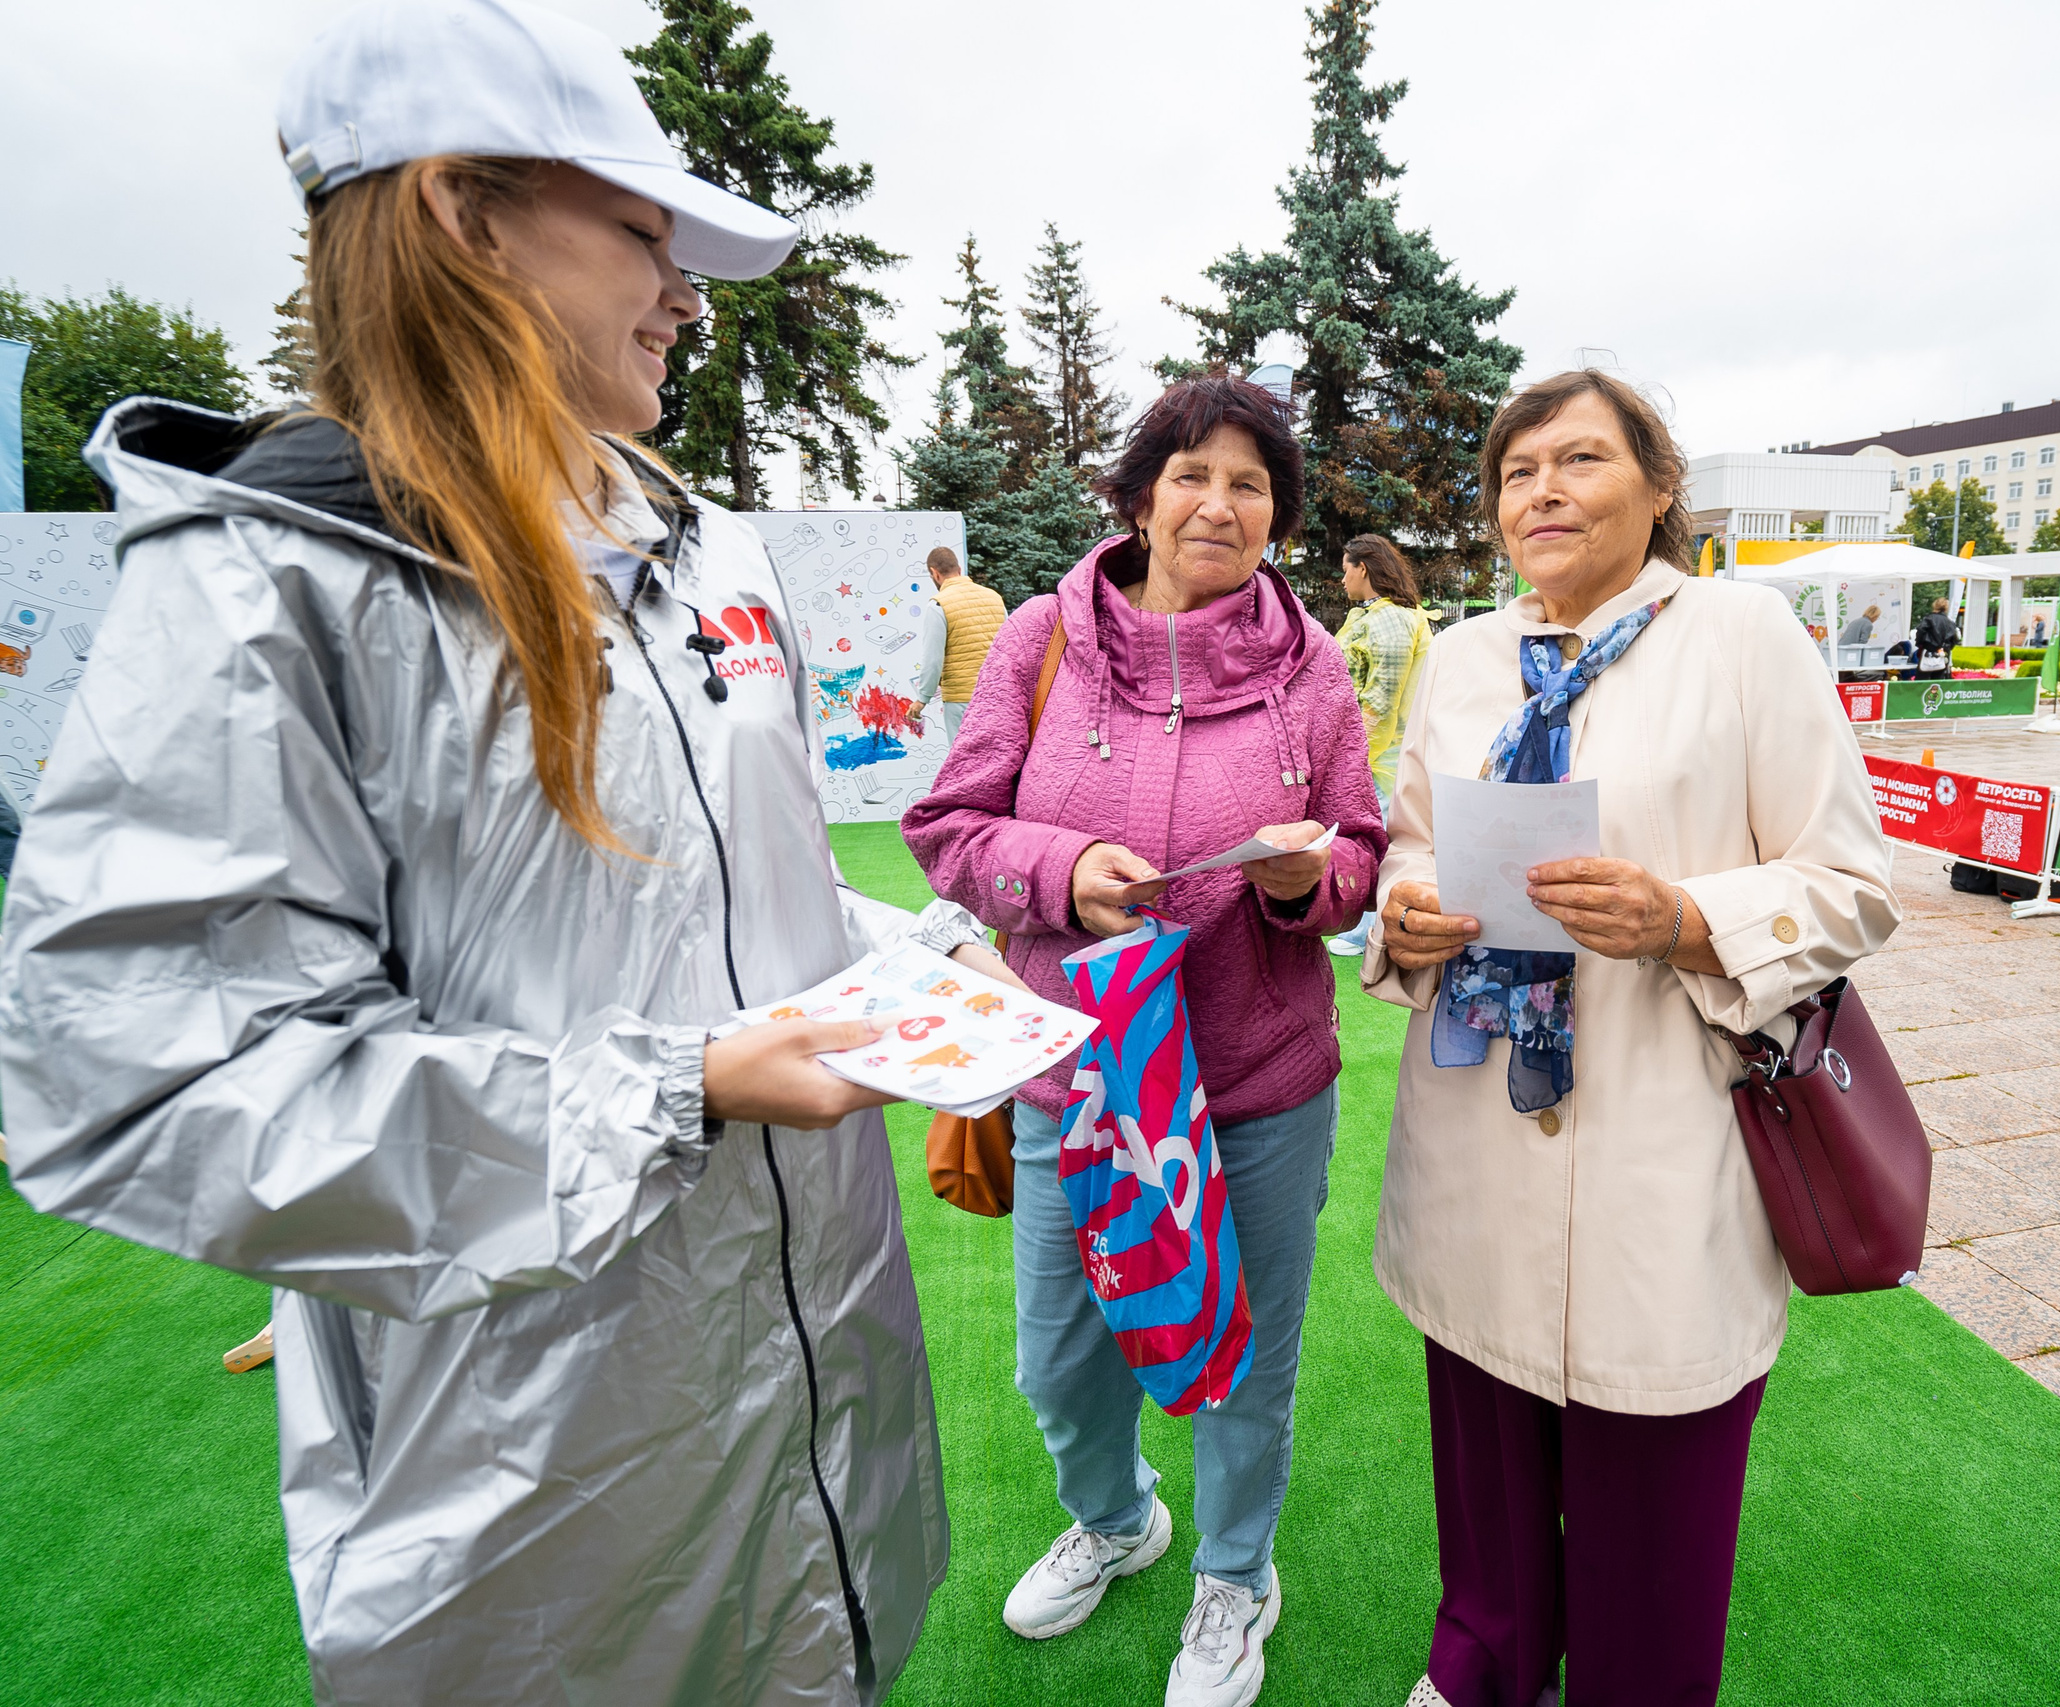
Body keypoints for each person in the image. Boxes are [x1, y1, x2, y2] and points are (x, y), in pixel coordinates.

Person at [0, 4, 999, 1700]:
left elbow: (734, 889)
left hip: (823, 1406)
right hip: (537, 1497)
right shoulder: (271, 579)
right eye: (642, 230)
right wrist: (671, 1087)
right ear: (463, 214)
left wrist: (919, 965)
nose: (690, 288)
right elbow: (145, 1084)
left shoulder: (698, 541)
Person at [1363, 370, 1899, 1707]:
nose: (1540, 487)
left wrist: (1682, 913)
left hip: (1667, 1136)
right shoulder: (1469, 655)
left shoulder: (1741, 633)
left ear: (1660, 488)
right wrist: (1406, 908)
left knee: (1653, 1488)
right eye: (1517, 467)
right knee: (1486, 1464)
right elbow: (1413, 833)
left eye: (1582, 458)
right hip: (1479, 1133)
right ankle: (1483, 1659)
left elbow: (1851, 883)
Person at [905, 374, 1386, 1707]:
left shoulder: (1312, 669)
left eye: (1249, 483)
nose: (1218, 503)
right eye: (1191, 474)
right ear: (1138, 496)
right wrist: (1059, 872)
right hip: (1086, 1082)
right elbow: (951, 825)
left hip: (1260, 1086)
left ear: (1277, 516)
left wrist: (1305, 882)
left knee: (1244, 1364)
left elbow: (1358, 856)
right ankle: (1118, 1520)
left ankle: (1235, 1576)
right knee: (1060, 1350)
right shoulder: (1047, 639)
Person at [1328, 534, 1434, 956]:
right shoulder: (1384, 615)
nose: (1342, 579)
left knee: (1385, 837)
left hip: (1382, 752)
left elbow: (1381, 697)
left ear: (1363, 569)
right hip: (1378, 749)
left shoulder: (1388, 621)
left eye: (1345, 569)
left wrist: (1357, 753)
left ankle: (1371, 929)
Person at [912, 544, 1007, 748]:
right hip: (998, 696)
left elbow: (933, 660)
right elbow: (1009, 648)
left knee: (964, 765)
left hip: (961, 700)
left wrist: (923, 698)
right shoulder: (995, 598)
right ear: (959, 570)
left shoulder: (938, 605)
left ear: (934, 573)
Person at [1913, 594, 1960, 678]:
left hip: (1927, 652)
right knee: (1938, 682)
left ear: (1934, 606)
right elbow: (1955, 639)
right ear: (1946, 608)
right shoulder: (1950, 623)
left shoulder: (1928, 619)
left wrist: (1919, 643)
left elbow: (1920, 630)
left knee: (1921, 681)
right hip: (1942, 654)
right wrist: (1947, 648)